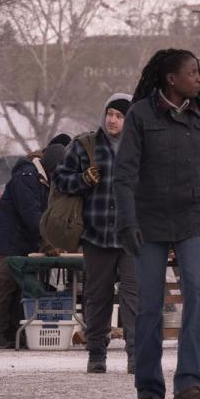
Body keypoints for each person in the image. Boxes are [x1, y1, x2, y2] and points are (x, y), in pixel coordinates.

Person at [114, 49, 200, 399]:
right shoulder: (140, 115)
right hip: (149, 221)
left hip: (194, 220)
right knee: (150, 304)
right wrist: (126, 221)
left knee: (197, 294)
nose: (199, 79)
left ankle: (189, 384)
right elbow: (124, 175)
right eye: (193, 73)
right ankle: (149, 389)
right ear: (171, 79)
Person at [52, 94, 138, 374]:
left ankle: (136, 355)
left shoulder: (142, 148)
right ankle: (97, 354)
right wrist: (82, 180)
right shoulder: (84, 145)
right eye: (110, 113)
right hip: (96, 234)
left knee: (134, 297)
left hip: (133, 237)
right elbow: (60, 180)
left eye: (120, 115)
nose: (112, 120)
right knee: (97, 297)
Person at [0, 143, 65, 349]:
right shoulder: (26, 177)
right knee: (5, 288)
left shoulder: (38, 178)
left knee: (17, 290)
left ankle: (15, 334)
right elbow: (32, 216)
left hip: (20, 242)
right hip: (7, 242)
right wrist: (48, 242)